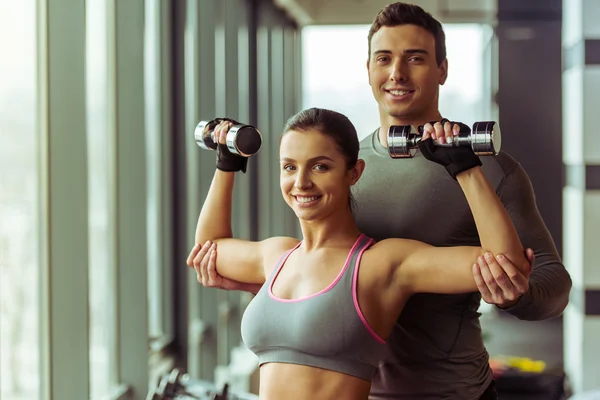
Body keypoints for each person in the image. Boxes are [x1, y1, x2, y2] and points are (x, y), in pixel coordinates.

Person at [191, 2, 572, 399]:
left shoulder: (489, 171)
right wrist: (272, 294)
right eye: (384, 58)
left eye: (416, 59)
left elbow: (552, 286)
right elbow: (331, 279)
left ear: (442, 68)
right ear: (369, 68)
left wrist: (514, 292)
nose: (397, 73)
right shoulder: (335, 167)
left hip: (450, 392)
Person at [187, 108, 530, 400]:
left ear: (354, 172)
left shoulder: (380, 264)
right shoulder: (276, 256)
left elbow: (505, 263)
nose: (301, 183)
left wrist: (465, 168)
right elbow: (210, 249)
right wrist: (226, 166)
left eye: (320, 167)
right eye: (290, 167)